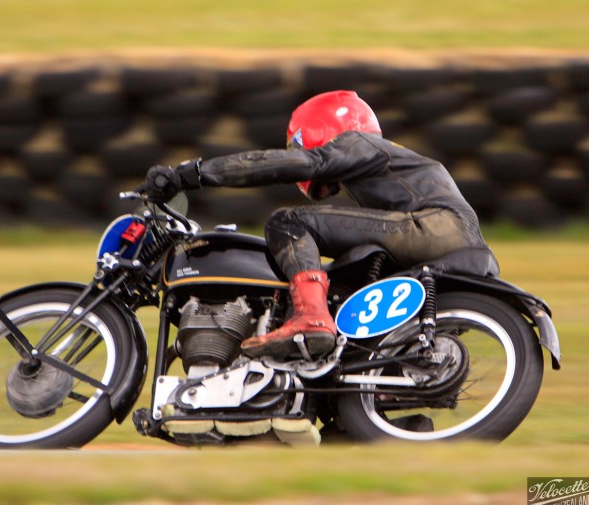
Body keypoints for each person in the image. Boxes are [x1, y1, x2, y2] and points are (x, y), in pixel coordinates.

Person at [140, 90, 495, 359]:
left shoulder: (359, 143)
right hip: (457, 244)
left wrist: (194, 174)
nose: (297, 149)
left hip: (434, 228)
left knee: (288, 221)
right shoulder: (387, 167)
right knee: (345, 287)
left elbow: (301, 164)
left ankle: (311, 318)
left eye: (297, 142)